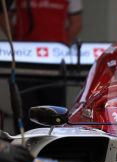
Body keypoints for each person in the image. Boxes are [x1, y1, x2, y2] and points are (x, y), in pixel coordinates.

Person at [0, 0, 83, 131]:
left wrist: (61, 45)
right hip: (25, 61)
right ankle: (24, 147)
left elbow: (77, 23)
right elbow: (4, 18)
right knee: (25, 110)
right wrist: (17, 42)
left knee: (54, 111)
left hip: (55, 62)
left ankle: (52, 147)